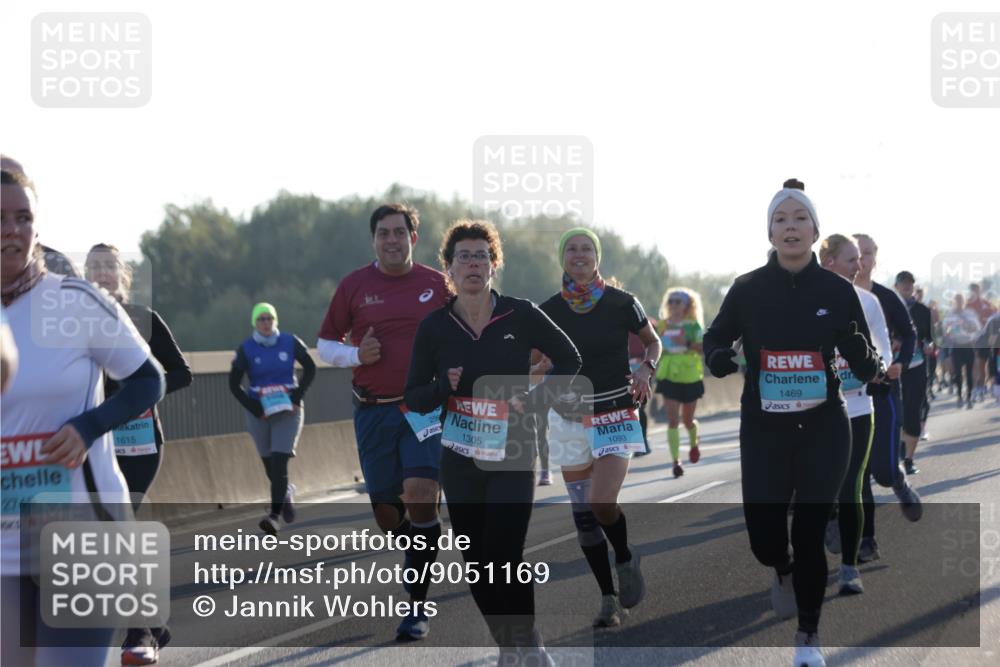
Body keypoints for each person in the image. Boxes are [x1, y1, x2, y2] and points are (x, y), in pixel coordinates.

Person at [703, 179, 885, 667]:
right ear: (770, 231)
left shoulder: (837, 290)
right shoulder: (747, 288)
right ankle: (780, 567)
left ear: (813, 229)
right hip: (764, 427)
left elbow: (864, 357)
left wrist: (865, 361)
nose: (790, 227)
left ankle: (808, 637)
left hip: (825, 424)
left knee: (808, 531)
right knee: (765, 537)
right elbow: (715, 336)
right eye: (780, 220)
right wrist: (720, 355)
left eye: (799, 219)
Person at [1, 169, 165, 667]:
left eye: (23, 217)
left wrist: (88, 426)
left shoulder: (74, 301)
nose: (12, 230)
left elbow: (148, 379)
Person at [405, 220, 580, 664]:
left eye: (482, 255)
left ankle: (530, 641)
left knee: (505, 552)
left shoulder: (519, 314)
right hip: (460, 456)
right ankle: (509, 646)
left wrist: (538, 398)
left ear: (494, 264)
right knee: (478, 564)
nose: (473, 264)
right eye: (463, 256)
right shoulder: (434, 327)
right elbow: (414, 396)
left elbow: (570, 358)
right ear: (448, 268)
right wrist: (443, 386)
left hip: (512, 451)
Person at [316, 203, 449, 640]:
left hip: (422, 409)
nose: (391, 240)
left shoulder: (436, 283)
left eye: (399, 232)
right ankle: (422, 535)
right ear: (374, 239)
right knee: (388, 514)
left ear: (414, 236)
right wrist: (357, 355)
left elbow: (466, 331)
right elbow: (324, 344)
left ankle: (416, 608)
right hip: (372, 409)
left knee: (419, 491)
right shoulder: (354, 285)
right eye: (383, 233)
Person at [537, 228, 660, 627]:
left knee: (601, 501)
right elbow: (534, 359)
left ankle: (624, 556)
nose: (578, 254)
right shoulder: (548, 310)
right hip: (568, 419)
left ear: (597, 257)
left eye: (586, 248)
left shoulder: (623, 302)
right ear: (562, 258)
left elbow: (653, 343)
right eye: (570, 248)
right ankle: (608, 598)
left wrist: (645, 369)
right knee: (584, 519)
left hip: (615, 414)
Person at [84, 243, 192, 665]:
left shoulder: (144, 319)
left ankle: (138, 634)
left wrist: (136, 392)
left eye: (109, 266)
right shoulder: (70, 322)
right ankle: (153, 625)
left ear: (123, 275)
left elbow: (181, 372)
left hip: (140, 442)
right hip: (93, 443)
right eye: (94, 267)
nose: (102, 273)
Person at [818, 234, 890, 596]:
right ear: (828, 261)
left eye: (861, 259)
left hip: (860, 405)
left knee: (852, 484)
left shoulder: (869, 302)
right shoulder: (805, 298)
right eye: (852, 259)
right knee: (820, 487)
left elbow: (885, 349)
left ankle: (850, 565)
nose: (859, 266)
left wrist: (877, 368)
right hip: (818, 408)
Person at [852, 233, 922, 566]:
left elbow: (910, 334)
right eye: (856, 254)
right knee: (857, 471)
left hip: (884, 392)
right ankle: (867, 540)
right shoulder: (832, 297)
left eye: (866, 253)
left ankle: (897, 481)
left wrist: (900, 363)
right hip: (846, 396)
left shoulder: (885, 297)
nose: (861, 260)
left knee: (880, 470)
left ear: (875, 258)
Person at [229, 302, 316, 536]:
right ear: (254, 323)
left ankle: (274, 517)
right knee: (269, 465)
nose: (266, 323)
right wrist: (253, 406)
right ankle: (285, 492)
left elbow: (310, 368)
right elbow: (233, 384)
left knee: (279, 462)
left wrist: (297, 396)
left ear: (275, 321)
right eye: (261, 319)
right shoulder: (246, 349)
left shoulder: (290, 342)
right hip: (259, 412)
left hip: (287, 411)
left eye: (269, 319)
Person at [653, 287, 706, 478]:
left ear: (687, 305)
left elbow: (701, 349)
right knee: (673, 420)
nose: (673, 305)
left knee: (687, 420)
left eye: (678, 301)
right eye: (671, 301)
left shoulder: (693, 326)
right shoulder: (662, 325)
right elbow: (654, 345)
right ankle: (675, 461)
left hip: (690, 375)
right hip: (669, 374)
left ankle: (694, 442)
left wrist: (686, 343)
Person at [894, 271, 932, 475]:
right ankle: (899, 448)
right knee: (896, 412)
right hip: (894, 368)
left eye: (910, 284)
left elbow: (930, 338)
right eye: (903, 283)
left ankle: (908, 459)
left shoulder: (923, 311)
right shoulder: (887, 307)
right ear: (897, 285)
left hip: (917, 367)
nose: (907, 287)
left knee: (913, 411)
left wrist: (928, 344)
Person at [941, 293, 980, 409]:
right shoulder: (949, 314)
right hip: (955, 346)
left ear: (964, 302)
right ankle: (959, 396)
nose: (959, 302)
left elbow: (977, 329)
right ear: (953, 301)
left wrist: (967, 325)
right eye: (957, 300)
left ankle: (968, 398)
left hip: (968, 345)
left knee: (969, 374)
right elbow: (944, 332)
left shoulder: (970, 314)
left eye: (961, 300)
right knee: (957, 373)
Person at [967, 283, 996, 403]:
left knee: (991, 363)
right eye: (973, 290)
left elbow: (995, 318)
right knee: (978, 363)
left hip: (989, 337)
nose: (975, 292)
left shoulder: (986, 303)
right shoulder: (968, 305)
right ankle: (979, 387)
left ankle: (990, 385)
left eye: (977, 290)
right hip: (975, 338)